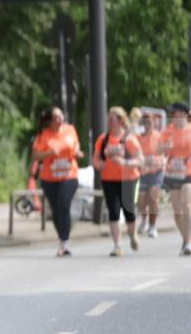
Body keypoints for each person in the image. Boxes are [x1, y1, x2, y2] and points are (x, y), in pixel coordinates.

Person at [31, 106, 83, 256]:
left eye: (61, 116)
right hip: (49, 178)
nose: (59, 119)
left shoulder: (70, 129)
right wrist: (48, 153)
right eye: (55, 118)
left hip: (69, 175)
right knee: (56, 210)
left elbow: (76, 144)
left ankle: (64, 243)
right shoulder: (43, 135)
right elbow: (35, 156)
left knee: (64, 204)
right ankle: (62, 237)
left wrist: (78, 151)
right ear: (49, 121)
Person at [92, 107, 143, 257]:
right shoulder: (103, 139)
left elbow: (141, 160)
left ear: (120, 121)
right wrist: (98, 164)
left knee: (129, 212)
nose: (108, 121)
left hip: (128, 179)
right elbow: (95, 158)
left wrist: (124, 162)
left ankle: (133, 235)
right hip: (109, 179)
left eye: (111, 119)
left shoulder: (129, 139)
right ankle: (117, 245)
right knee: (113, 212)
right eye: (108, 118)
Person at [160, 101, 191, 255]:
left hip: (189, 172)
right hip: (173, 173)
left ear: (184, 114)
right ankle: (185, 240)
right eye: (171, 113)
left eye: (175, 113)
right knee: (177, 212)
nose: (173, 116)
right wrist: (164, 148)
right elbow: (157, 148)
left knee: (187, 203)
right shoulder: (168, 131)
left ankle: (189, 241)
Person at [133, 108, 164, 239]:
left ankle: (152, 226)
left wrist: (156, 160)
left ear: (154, 123)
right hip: (142, 172)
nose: (147, 125)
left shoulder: (160, 136)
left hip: (156, 172)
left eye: (150, 122)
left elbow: (164, 154)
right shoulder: (138, 138)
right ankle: (144, 220)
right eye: (145, 123)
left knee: (153, 198)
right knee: (141, 201)